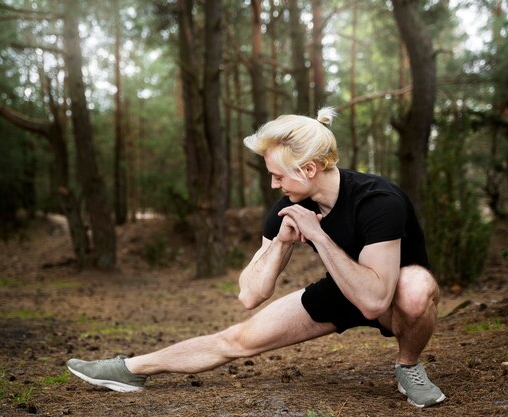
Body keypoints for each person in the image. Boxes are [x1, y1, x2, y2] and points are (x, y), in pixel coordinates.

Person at [67, 108, 446, 408]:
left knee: (416, 286)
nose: (273, 185)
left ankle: (407, 366)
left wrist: (317, 235)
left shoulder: (378, 201)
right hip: (343, 289)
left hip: (388, 294)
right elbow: (249, 294)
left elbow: (374, 301)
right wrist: (281, 243)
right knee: (235, 339)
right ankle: (130, 369)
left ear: (310, 168)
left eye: (278, 176)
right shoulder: (288, 208)